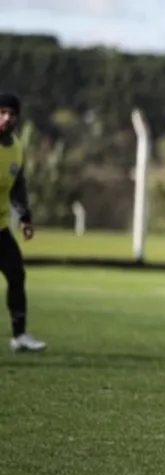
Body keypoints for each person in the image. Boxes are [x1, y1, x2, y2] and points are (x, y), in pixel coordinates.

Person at [0, 93, 44, 353]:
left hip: (1, 229)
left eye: (12, 114)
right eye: (2, 112)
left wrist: (25, 217)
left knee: (16, 275)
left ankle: (20, 337)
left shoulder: (16, 147)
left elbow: (17, 186)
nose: (7, 118)